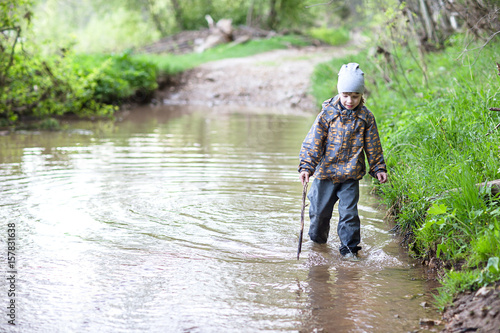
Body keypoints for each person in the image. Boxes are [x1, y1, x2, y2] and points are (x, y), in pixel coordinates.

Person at [298, 62, 387, 259]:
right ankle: (318, 245)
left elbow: (373, 144)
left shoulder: (366, 117)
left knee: (349, 215)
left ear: (361, 95)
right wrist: (306, 166)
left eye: (355, 96)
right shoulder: (327, 115)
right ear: (339, 93)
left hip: (350, 175)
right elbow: (313, 142)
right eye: (345, 95)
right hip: (325, 174)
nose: (349, 100)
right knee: (319, 214)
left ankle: (349, 250)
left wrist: (378, 167)